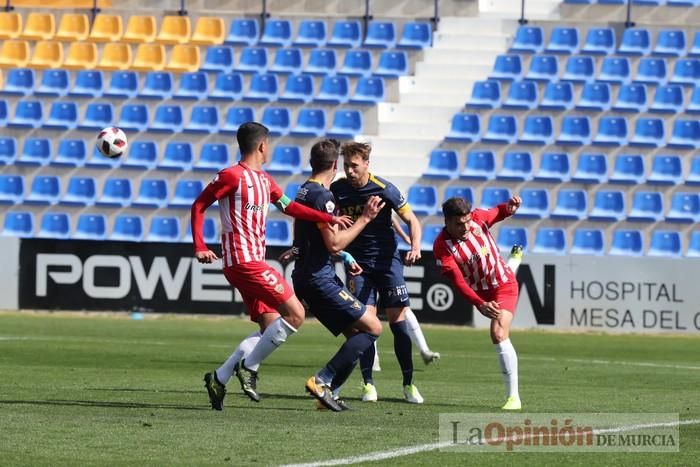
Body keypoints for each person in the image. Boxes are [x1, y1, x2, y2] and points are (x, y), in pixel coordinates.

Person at [191, 122, 352, 411]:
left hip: (252, 261)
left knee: (269, 325)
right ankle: (249, 368)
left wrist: (327, 219)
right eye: (269, 144)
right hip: (244, 261)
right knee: (296, 313)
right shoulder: (231, 175)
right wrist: (200, 246)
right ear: (262, 146)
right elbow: (199, 205)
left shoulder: (265, 181)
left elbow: (289, 207)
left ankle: (219, 377)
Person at [330, 142, 438, 404]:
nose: (350, 171)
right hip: (357, 264)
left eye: (354, 166)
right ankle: (368, 384)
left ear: (367, 163)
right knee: (366, 323)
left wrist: (415, 246)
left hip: (388, 262)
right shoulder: (338, 189)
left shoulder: (384, 188)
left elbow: (412, 219)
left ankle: (409, 384)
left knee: (397, 321)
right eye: (347, 166)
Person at [291, 138, 386, 412]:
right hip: (320, 279)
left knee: (356, 335)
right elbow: (334, 243)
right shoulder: (324, 196)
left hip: (306, 277)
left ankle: (326, 396)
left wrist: (343, 256)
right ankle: (322, 380)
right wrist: (365, 219)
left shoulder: (303, 191)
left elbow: (316, 239)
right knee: (374, 328)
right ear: (335, 165)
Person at [432, 195, 523, 411]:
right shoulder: (442, 247)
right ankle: (514, 261)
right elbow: (459, 282)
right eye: (458, 224)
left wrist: (508, 207)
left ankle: (513, 398)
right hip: (481, 291)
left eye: (466, 222)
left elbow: (498, 211)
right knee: (496, 326)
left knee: (498, 334)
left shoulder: (478, 219)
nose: (465, 227)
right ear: (447, 222)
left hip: (504, 285)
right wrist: (479, 303)